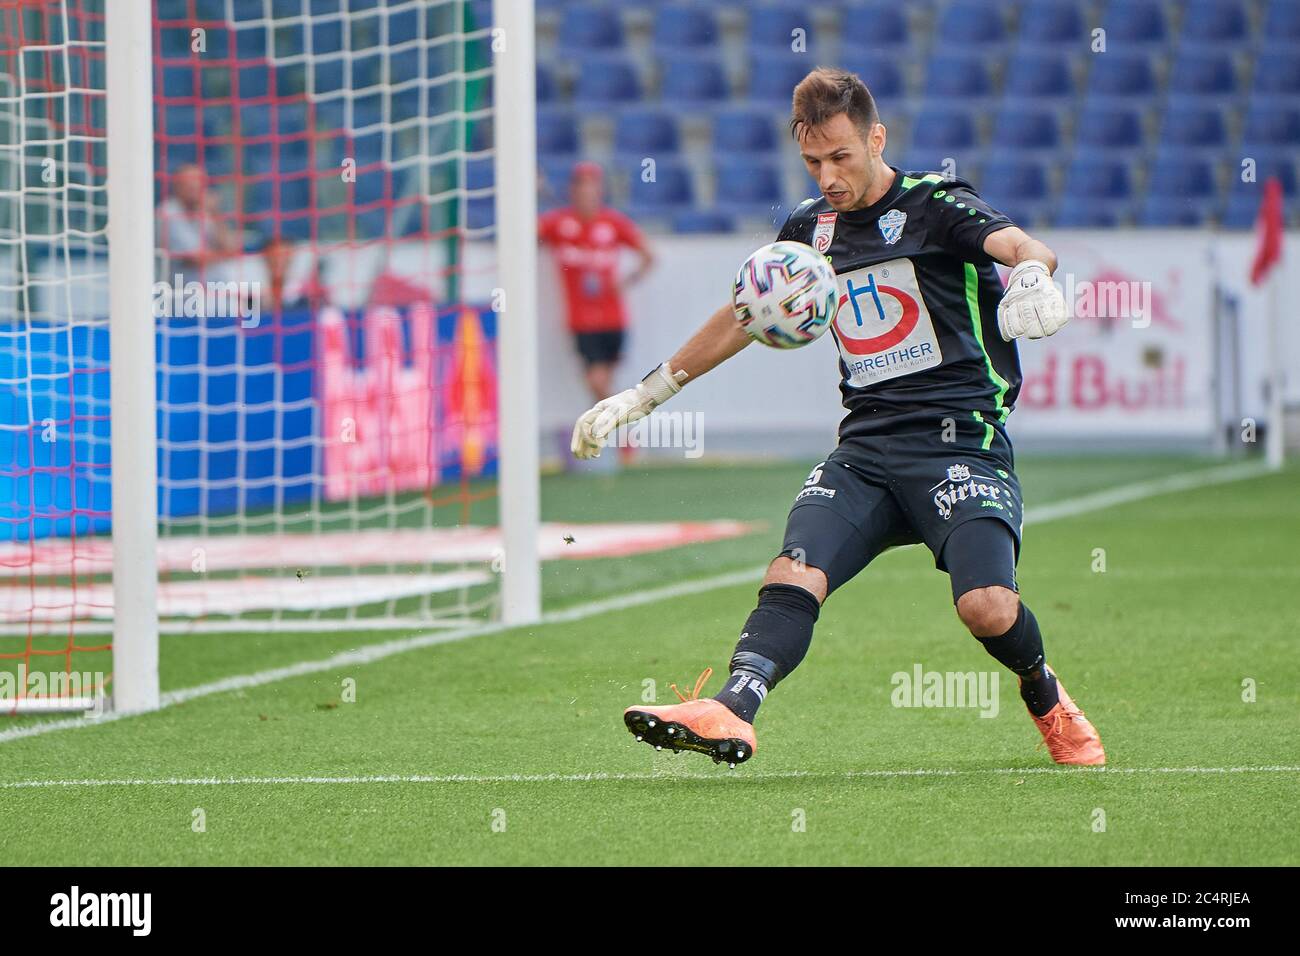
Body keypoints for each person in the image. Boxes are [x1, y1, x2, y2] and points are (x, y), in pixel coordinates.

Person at [571, 68, 1104, 768]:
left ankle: (1046, 697)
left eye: (841, 156)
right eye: (812, 161)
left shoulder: (937, 207)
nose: (827, 175)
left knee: (987, 608)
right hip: (868, 449)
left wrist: (1035, 276)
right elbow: (743, 317)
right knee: (793, 571)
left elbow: (1026, 248)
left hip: (960, 446)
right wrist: (644, 396)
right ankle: (732, 708)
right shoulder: (807, 230)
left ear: (876, 138)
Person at [539, 162, 654, 415]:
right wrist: (532, 192)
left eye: (592, 189)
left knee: (602, 384)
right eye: (582, 189)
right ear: (573, 191)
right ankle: (622, 431)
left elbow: (649, 255)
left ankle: (612, 434)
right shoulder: (559, 223)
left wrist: (627, 281)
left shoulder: (612, 223)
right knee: (596, 381)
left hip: (613, 318)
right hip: (582, 321)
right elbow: (529, 235)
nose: (587, 195)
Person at [156, 164, 243, 282]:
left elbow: (230, 247)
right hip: (182, 291)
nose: (195, 186)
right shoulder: (167, 212)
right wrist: (225, 255)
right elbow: (194, 259)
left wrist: (215, 213)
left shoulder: (207, 211)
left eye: (199, 183)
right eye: (189, 183)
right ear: (177, 186)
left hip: (215, 289)